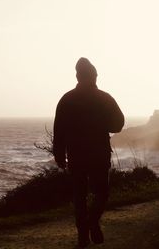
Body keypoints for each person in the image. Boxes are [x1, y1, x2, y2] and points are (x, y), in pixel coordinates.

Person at [53, 57, 124, 248]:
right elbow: (118, 124)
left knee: (80, 196)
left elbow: (58, 130)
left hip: (76, 155)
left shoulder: (66, 99)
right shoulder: (105, 97)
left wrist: (59, 154)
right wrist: (102, 125)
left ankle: (83, 236)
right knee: (101, 193)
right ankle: (93, 221)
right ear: (93, 75)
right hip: (99, 153)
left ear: (78, 76)